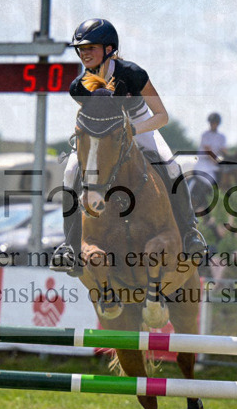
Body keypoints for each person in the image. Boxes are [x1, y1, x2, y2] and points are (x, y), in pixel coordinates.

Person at [51, 18, 206, 274]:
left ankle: (190, 233)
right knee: (69, 172)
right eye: (81, 49)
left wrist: (132, 131)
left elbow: (161, 116)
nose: (84, 53)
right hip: (103, 134)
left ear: (109, 48)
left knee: (172, 166)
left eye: (91, 47)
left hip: (139, 124)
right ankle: (70, 247)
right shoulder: (79, 86)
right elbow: (89, 121)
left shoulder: (132, 74)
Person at [194, 112, 227, 187]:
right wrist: (217, 162)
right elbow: (208, 151)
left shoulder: (222, 137)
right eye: (212, 123)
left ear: (218, 124)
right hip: (203, 163)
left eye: (215, 123)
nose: (213, 124)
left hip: (215, 163)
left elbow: (224, 150)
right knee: (211, 181)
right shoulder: (205, 135)